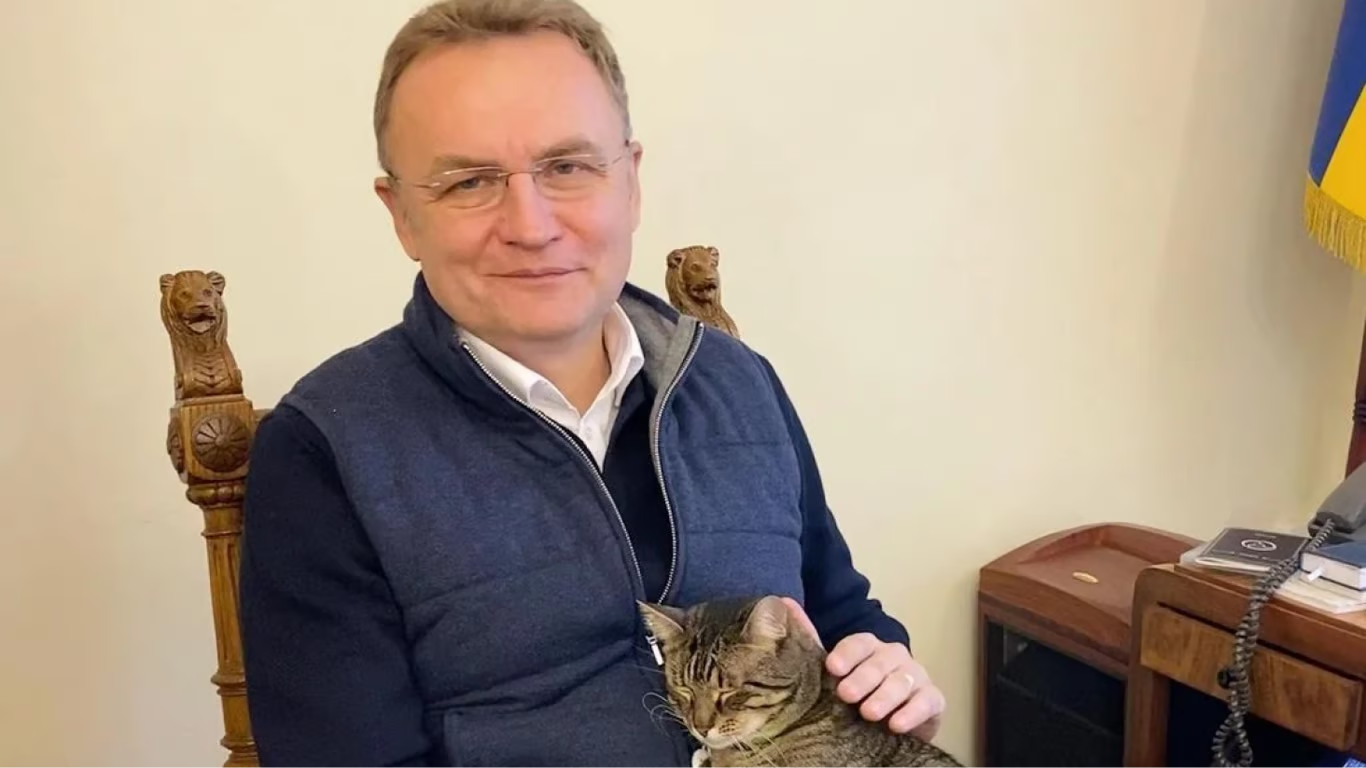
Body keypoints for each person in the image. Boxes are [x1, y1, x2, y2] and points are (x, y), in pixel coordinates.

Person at [237, 1, 946, 765]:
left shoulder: (739, 381)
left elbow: (838, 616)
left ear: (630, 182)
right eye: (469, 181)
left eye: (568, 167)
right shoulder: (323, 452)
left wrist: (885, 680)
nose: (531, 225)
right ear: (402, 215)